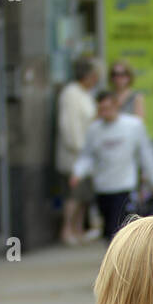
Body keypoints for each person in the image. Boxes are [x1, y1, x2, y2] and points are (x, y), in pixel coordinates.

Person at [70, 90, 153, 241]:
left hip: (125, 186)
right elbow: (87, 155)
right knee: (108, 229)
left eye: (108, 108)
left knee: (120, 227)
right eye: (101, 109)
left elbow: (146, 153)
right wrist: (78, 173)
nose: (105, 113)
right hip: (103, 186)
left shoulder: (133, 126)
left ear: (116, 106)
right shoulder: (94, 130)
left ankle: (122, 259)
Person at [55, 57, 99, 246]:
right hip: (75, 153)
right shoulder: (71, 93)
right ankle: (67, 229)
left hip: (87, 154)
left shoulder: (86, 94)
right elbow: (69, 124)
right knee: (73, 194)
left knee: (84, 196)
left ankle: (78, 229)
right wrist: (79, 147)